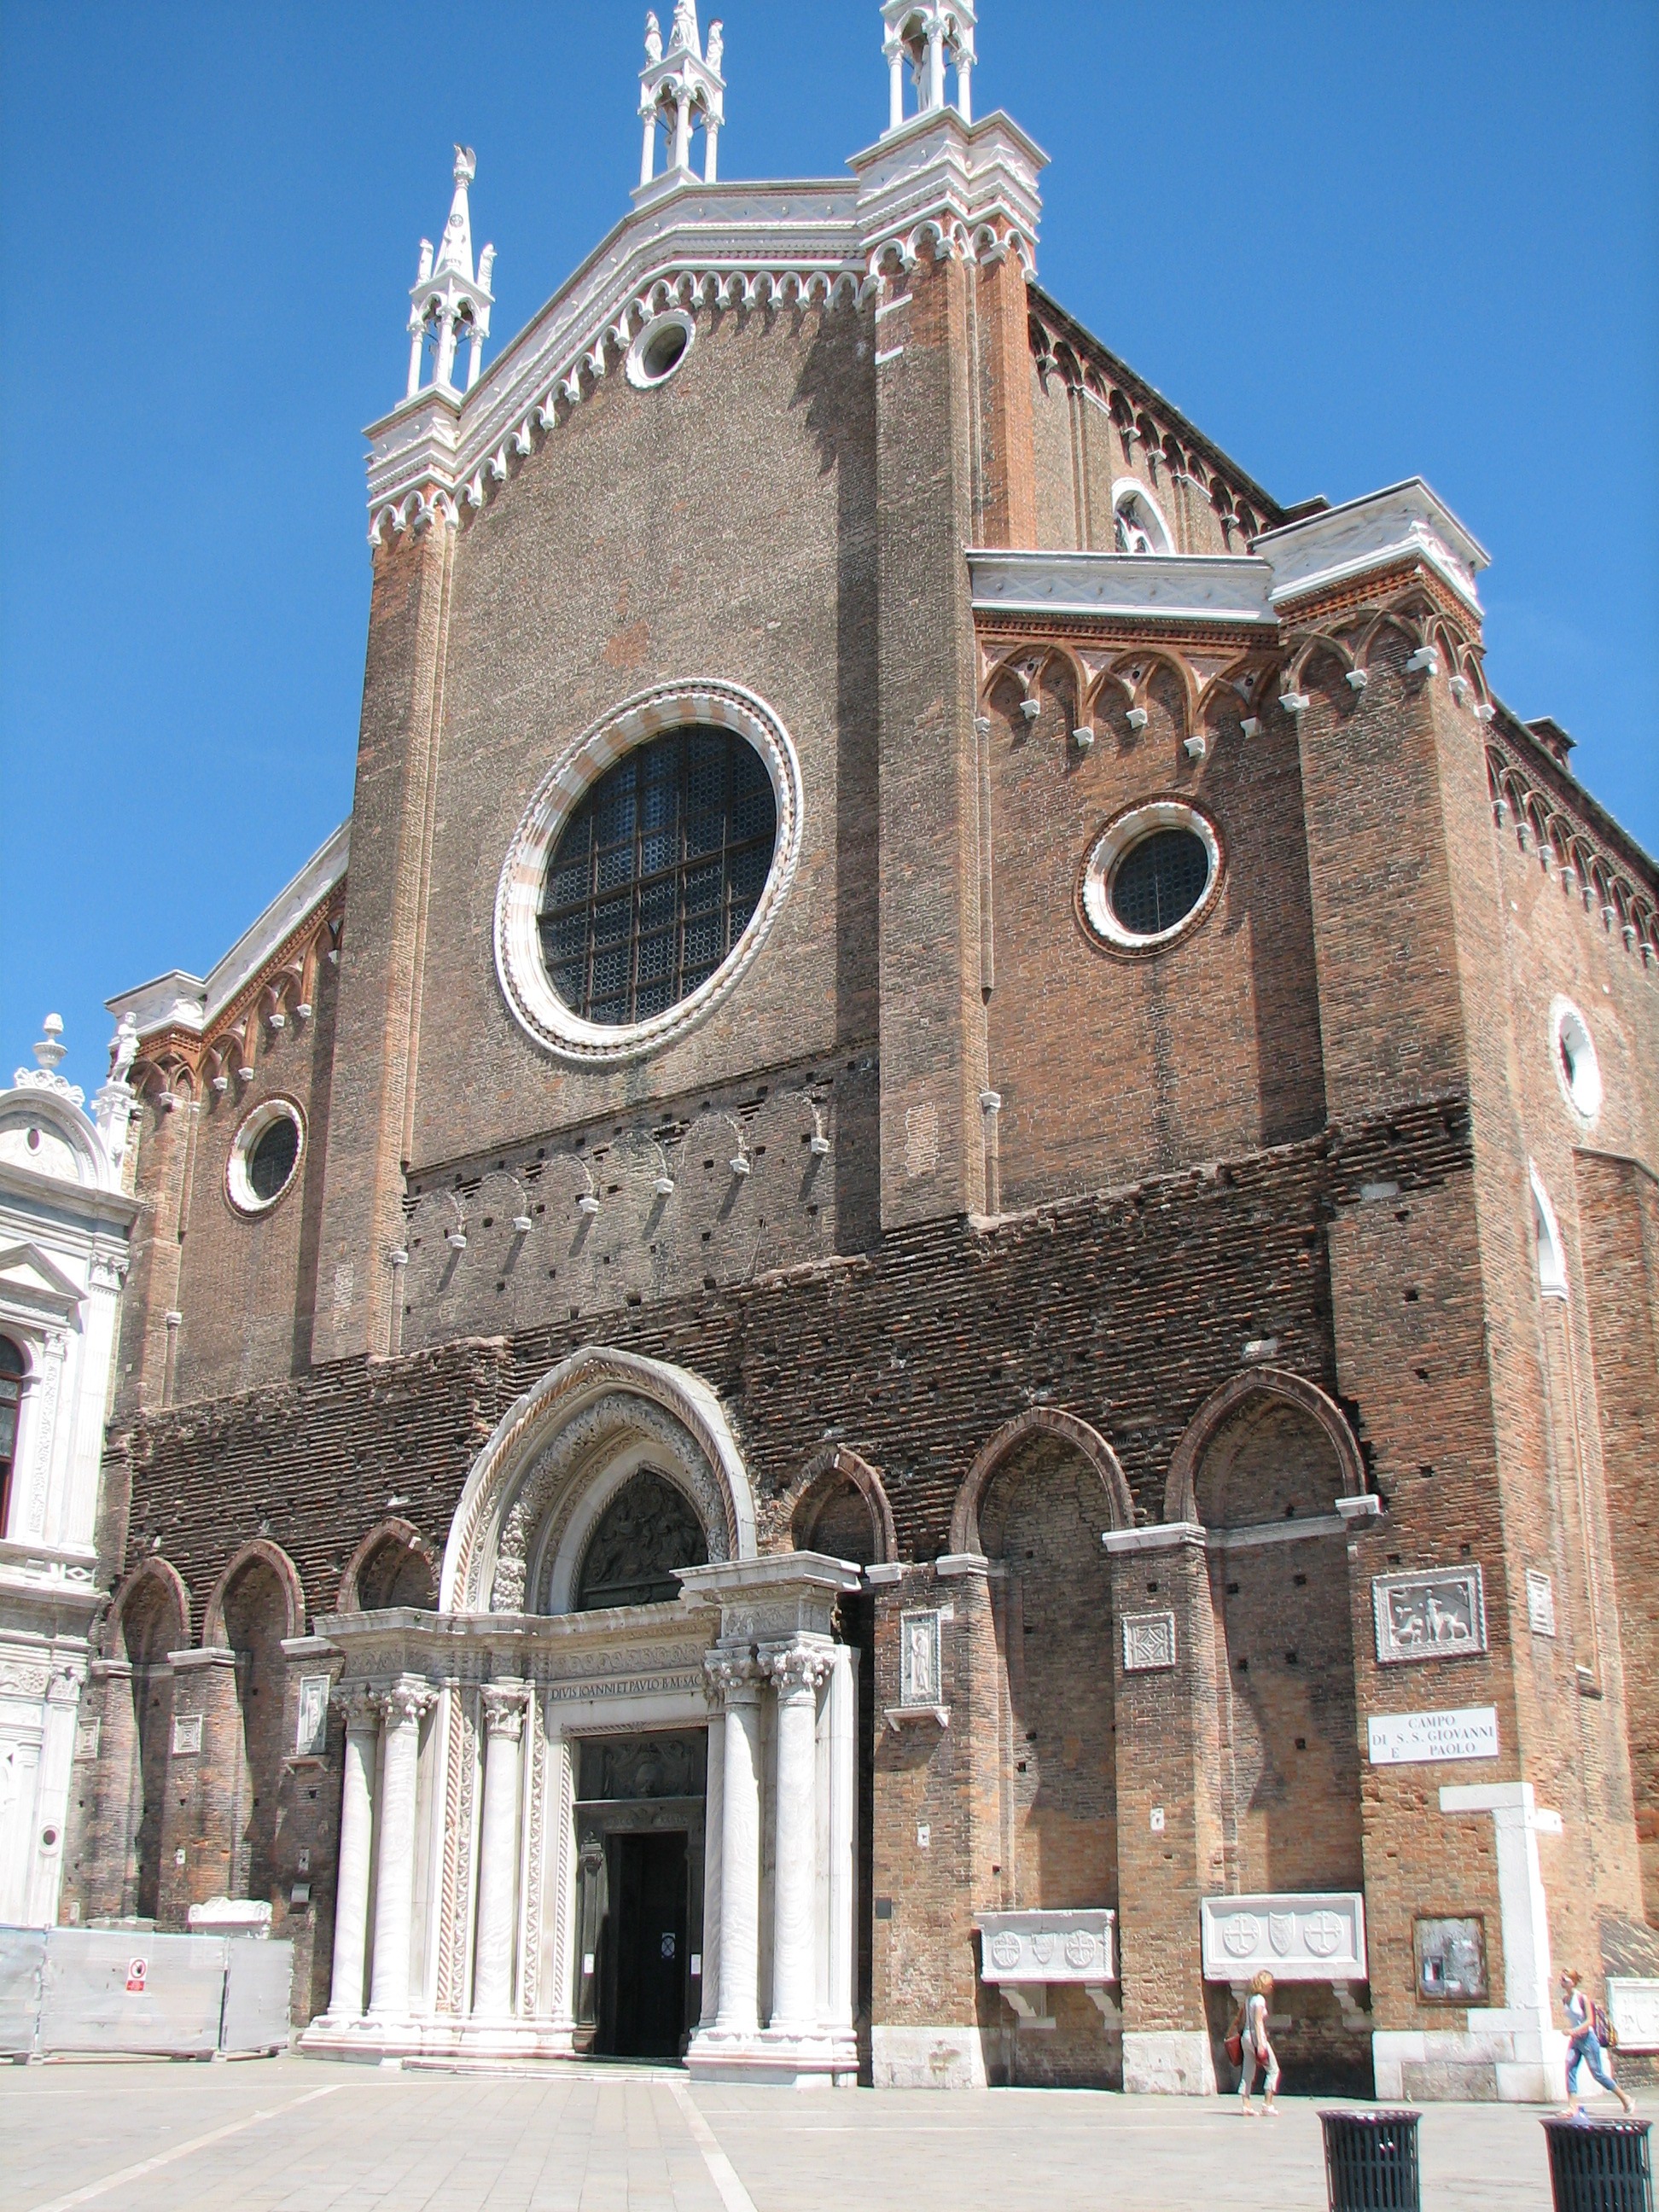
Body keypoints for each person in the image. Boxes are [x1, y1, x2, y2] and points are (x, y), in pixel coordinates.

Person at [1561, 1970, 1633, 2115]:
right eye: (1561, 1979)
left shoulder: (1582, 1998)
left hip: (1588, 2040)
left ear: (1573, 1982)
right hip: (1576, 2041)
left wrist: (1573, 2031)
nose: (1562, 1982)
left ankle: (1625, 2098)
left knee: (1598, 2074)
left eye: (1565, 1979)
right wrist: (1571, 2031)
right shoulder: (1565, 1999)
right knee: (1570, 2068)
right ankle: (1572, 2106)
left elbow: (1589, 2021)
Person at [1238, 1970, 1280, 2115]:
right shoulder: (1260, 2000)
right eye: (1269, 1985)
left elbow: (1246, 2020)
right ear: (1263, 1985)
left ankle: (1246, 2104)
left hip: (1245, 2036)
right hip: (1257, 2037)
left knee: (1247, 2072)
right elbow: (1257, 2022)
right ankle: (1267, 2104)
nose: (1271, 1987)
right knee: (1273, 2070)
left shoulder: (1248, 1998)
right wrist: (1261, 2045)